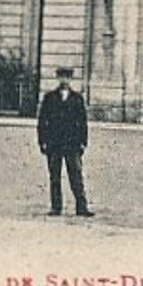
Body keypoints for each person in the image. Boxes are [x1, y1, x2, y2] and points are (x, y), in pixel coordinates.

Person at [36, 67, 93, 217]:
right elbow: (42, 121)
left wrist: (83, 142)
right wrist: (42, 141)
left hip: (72, 144)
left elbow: (82, 123)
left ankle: (81, 207)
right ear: (58, 78)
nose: (64, 80)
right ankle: (56, 207)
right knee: (54, 176)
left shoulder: (77, 99)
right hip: (54, 143)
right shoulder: (49, 98)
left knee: (76, 175)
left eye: (67, 77)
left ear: (70, 79)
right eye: (61, 77)